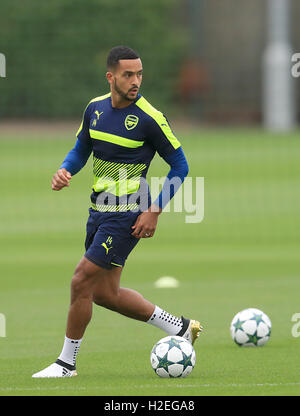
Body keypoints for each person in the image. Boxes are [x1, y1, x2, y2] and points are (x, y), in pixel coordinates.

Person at [32, 46, 202, 378]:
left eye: (139, 74)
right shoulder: (94, 109)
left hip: (127, 214)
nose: (136, 80)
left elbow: (180, 166)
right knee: (103, 294)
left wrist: (154, 210)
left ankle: (66, 364)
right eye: (128, 75)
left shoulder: (151, 118)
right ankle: (180, 328)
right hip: (98, 211)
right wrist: (66, 169)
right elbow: (82, 147)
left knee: (81, 280)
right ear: (111, 77)